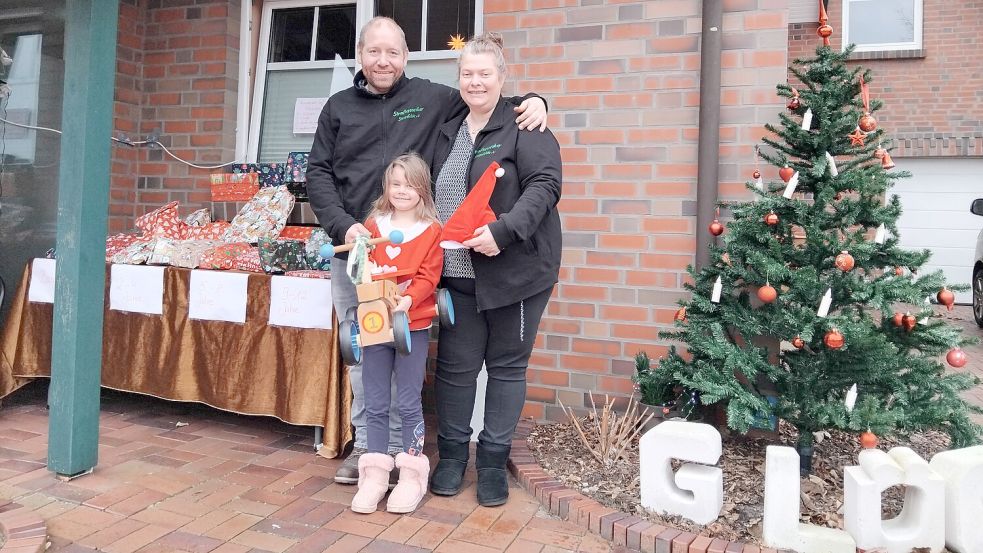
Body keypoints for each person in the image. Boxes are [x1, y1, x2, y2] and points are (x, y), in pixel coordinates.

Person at [306, 16, 548, 485]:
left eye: (393, 52)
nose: (383, 61)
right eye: (374, 51)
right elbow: (318, 175)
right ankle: (369, 447)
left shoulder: (430, 98)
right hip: (359, 256)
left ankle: (404, 448)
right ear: (360, 55)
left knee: (408, 351)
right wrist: (345, 225)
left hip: (416, 257)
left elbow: (486, 98)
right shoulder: (336, 108)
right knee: (367, 353)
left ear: (406, 57)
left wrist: (536, 102)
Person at [427, 33, 562, 507]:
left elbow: (545, 185)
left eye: (486, 73)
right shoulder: (447, 127)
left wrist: (503, 232)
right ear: (459, 79)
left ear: (502, 79)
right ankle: (450, 458)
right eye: (468, 73)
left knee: (506, 369)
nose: (476, 81)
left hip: (517, 275)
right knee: (455, 371)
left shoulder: (526, 124)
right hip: (457, 275)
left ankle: (491, 462)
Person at [349, 153, 442, 514]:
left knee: (407, 399)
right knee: (374, 398)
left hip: (411, 325)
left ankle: (411, 473)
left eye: (411, 184)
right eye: (396, 183)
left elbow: (429, 277)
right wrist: (360, 260)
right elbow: (361, 270)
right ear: (386, 187)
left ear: (423, 189)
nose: (403, 191)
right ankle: (373, 473)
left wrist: (408, 298)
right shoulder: (374, 224)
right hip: (375, 325)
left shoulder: (432, 230)